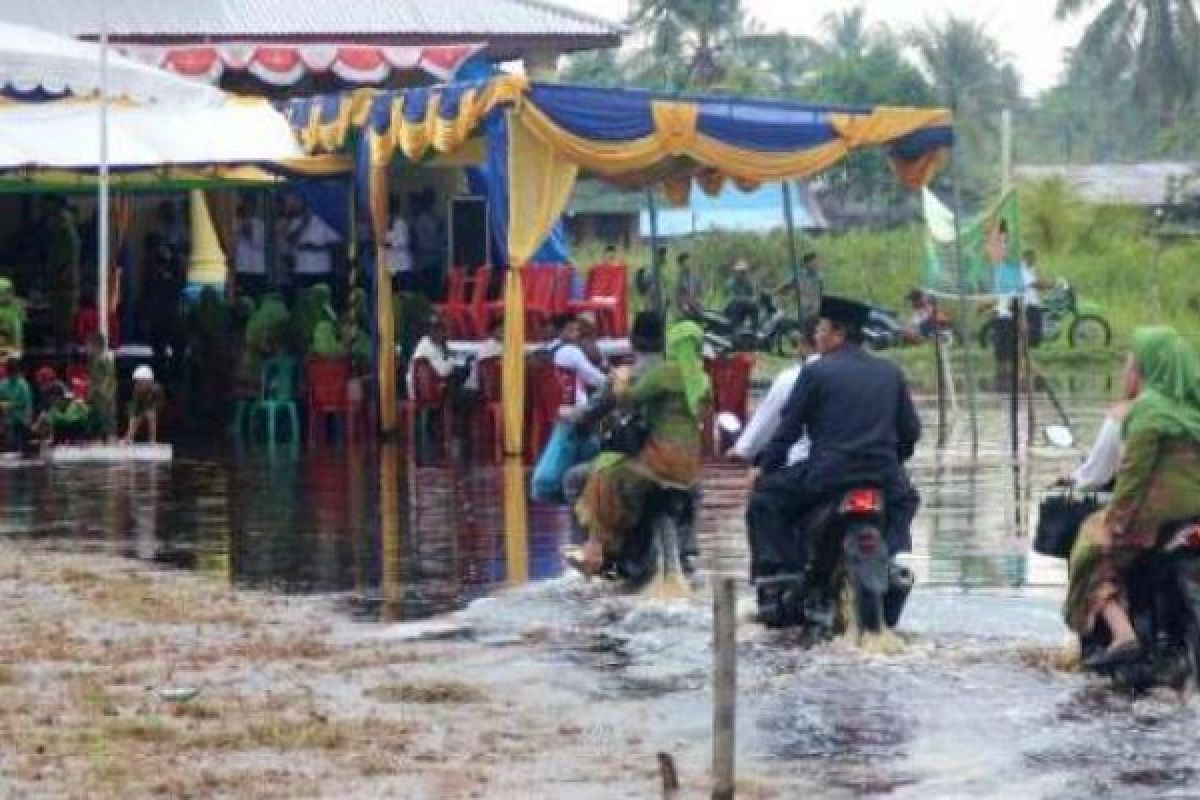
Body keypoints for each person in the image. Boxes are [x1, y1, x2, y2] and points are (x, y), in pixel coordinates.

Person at [746, 296, 921, 623]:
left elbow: (786, 432)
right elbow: (910, 432)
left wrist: (763, 470)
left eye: (822, 329)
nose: (818, 336)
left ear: (837, 332)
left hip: (827, 476)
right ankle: (891, 554)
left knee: (764, 500)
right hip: (884, 477)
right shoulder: (890, 372)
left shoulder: (815, 373)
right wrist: (894, 461)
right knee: (908, 499)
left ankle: (779, 577)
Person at [1064, 327, 1200, 669]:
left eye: (1133, 364)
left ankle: (1122, 633)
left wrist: (1117, 522)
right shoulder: (1194, 409)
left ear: (1149, 367)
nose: (1128, 371)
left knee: (1091, 552)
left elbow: (1132, 475)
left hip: (1151, 518)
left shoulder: (1144, 411)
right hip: (1192, 519)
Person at [575, 321, 711, 574]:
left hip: (658, 460)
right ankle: (687, 546)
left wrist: (620, 381)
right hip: (689, 464)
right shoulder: (701, 379)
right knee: (695, 490)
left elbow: (628, 398)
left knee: (597, 478)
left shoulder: (663, 373)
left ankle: (599, 547)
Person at [729, 318, 822, 468]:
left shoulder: (794, 377)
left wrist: (742, 449)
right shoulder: (869, 375)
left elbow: (766, 421)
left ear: (804, 342)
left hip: (805, 468)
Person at [43, 196, 81, 349]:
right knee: (60, 327)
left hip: (64, 287)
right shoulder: (61, 236)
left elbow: (66, 264)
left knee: (64, 328)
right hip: (62, 286)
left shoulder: (67, 236)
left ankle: (64, 358)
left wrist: (56, 280)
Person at [552, 315, 609, 408]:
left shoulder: (549, 348)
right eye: (571, 330)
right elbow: (594, 377)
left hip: (554, 406)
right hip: (575, 407)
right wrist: (610, 382)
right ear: (560, 331)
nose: (576, 334)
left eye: (577, 330)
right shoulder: (572, 351)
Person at [292, 207, 342, 291]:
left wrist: (318, 248)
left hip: (322, 270)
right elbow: (290, 240)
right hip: (302, 269)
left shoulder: (324, 222)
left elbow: (338, 243)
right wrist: (303, 224)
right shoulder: (296, 221)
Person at [32, 382, 90, 447]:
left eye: (58, 398)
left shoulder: (77, 404)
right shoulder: (54, 408)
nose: (55, 400)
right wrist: (37, 425)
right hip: (61, 434)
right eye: (54, 398)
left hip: (76, 432)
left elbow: (86, 413)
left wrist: (82, 405)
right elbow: (48, 420)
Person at [86, 331, 117, 442]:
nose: (87, 348)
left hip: (104, 396)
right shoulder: (94, 361)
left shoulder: (104, 359)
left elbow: (109, 376)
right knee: (96, 418)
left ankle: (110, 439)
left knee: (106, 418)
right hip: (96, 395)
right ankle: (98, 439)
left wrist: (105, 390)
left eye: (88, 346)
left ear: (96, 346)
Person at [234, 196, 268, 297]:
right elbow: (233, 242)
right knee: (243, 296)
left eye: (251, 206)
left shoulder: (261, 224)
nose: (249, 208)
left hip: (258, 268)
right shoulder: (236, 222)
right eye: (247, 206)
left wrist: (249, 231)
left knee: (258, 296)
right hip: (242, 267)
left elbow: (260, 244)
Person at [123, 365, 165, 444]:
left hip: (152, 408)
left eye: (141, 381)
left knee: (151, 417)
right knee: (134, 420)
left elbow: (160, 402)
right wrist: (133, 414)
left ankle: (152, 440)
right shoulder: (137, 389)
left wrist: (152, 409)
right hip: (140, 407)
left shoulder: (157, 389)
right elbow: (134, 403)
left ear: (148, 381)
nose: (139, 383)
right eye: (138, 381)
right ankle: (129, 438)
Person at [463, 317, 503, 393]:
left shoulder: (505, 346)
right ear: (493, 331)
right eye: (501, 330)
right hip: (478, 389)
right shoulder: (487, 345)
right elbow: (484, 367)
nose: (504, 332)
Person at [0, 358, 32, 452]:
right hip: (9, 421)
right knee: (11, 446)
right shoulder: (3, 384)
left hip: (22, 420)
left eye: (13, 370)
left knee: (22, 447)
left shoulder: (23, 385)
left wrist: (10, 405)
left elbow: (26, 403)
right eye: (9, 370)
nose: (11, 374)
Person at [385, 195, 416, 292]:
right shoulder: (383, 223)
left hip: (403, 268)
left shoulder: (400, 223)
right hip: (390, 269)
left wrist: (388, 244)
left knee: (405, 297)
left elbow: (403, 241)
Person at [724, 259, 759, 331]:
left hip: (745, 305)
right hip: (733, 307)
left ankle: (754, 329)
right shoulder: (731, 283)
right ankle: (733, 328)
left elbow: (754, 295)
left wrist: (753, 300)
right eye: (740, 272)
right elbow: (733, 298)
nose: (742, 274)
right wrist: (747, 300)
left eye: (743, 272)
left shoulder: (749, 282)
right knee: (738, 304)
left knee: (754, 306)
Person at [674, 252, 704, 319]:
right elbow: (678, 297)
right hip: (685, 311)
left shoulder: (696, 277)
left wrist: (698, 301)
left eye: (689, 261)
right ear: (681, 265)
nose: (689, 264)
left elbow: (700, 293)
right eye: (686, 262)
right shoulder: (679, 279)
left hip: (697, 309)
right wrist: (683, 305)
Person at [0, 277, 25, 357]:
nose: (9, 294)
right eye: (6, 291)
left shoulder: (16, 306)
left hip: (12, 346)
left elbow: (19, 328)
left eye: (10, 291)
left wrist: (17, 349)